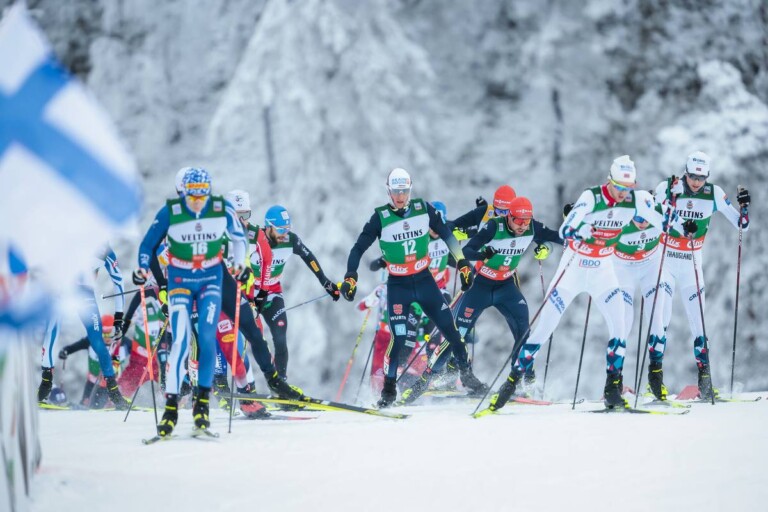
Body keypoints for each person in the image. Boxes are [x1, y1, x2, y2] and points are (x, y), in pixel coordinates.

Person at [487, 155, 665, 411]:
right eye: (619, 188)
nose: (624, 194)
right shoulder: (592, 198)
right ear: (609, 181)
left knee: (621, 326)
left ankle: (612, 390)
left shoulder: (638, 200)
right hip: (574, 269)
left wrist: (679, 226)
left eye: (629, 189)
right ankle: (511, 384)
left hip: (603, 270)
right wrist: (579, 231)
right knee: (543, 330)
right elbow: (565, 230)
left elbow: (664, 224)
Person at [143, 177, 304, 405]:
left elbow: (246, 262)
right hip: (197, 292)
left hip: (227, 292)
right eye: (237, 215)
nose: (241, 221)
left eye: (245, 215)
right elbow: (158, 254)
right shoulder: (200, 224)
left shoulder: (246, 235)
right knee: (197, 342)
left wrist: (251, 288)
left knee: (240, 343)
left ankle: (250, 397)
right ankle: (186, 390)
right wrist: (162, 286)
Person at [341, 168, 486, 408]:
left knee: (451, 331)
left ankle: (466, 376)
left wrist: (462, 263)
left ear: (410, 189)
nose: (400, 196)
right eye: (396, 192)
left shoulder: (423, 209)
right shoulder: (380, 217)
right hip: (399, 285)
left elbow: (448, 233)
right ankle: (388, 390)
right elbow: (358, 248)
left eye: (404, 191)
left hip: (424, 281)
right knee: (399, 339)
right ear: (389, 192)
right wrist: (350, 276)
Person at [134, 167, 250, 436]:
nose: (197, 201)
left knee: (208, 339)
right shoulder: (171, 212)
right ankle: (171, 408)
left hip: (210, 281)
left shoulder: (220, 208)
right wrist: (142, 269)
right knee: (181, 342)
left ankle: (202, 407)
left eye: (202, 195)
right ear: (183, 193)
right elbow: (146, 246)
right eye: (191, 195)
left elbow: (239, 237)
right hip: (180, 283)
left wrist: (237, 262)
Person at [425, 197, 562, 395]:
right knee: (459, 331)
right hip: (480, 284)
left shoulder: (531, 227)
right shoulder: (492, 224)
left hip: (506, 285)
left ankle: (525, 379)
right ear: (507, 216)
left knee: (523, 328)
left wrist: (553, 246)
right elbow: (467, 247)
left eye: (526, 220)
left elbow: (555, 237)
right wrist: (480, 251)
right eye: (518, 220)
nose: (523, 225)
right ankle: (439, 374)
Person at [653, 151, 750, 400]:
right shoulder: (668, 187)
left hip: (692, 262)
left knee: (699, 321)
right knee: (661, 317)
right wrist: (674, 213)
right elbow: (652, 214)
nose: (696, 182)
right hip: (665, 260)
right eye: (692, 176)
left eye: (701, 177)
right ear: (685, 172)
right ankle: (655, 378)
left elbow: (742, 224)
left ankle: (705, 381)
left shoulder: (714, 194)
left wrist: (745, 207)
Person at [248, 204, 340, 379]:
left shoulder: (290, 240)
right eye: (280, 229)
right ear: (268, 227)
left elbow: (308, 256)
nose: (284, 233)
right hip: (249, 294)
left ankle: (281, 384)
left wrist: (325, 282)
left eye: (287, 228)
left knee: (280, 337)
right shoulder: (253, 239)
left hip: (272, 292)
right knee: (252, 338)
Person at [38, 246, 129, 409]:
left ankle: (113, 392)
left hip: (85, 296)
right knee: (51, 332)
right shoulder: (74, 233)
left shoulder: (105, 249)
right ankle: (45, 385)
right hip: (62, 292)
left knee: (97, 341)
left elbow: (118, 280)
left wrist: (119, 317)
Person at [610, 208, 673, 400]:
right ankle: (615, 381)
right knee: (624, 322)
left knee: (657, 319)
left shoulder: (660, 216)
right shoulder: (620, 218)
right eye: (638, 218)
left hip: (650, 268)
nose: (643, 223)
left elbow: (681, 221)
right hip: (623, 269)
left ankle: (655, 377)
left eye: (647, 218)